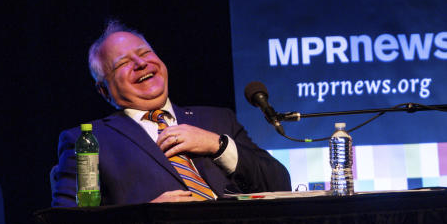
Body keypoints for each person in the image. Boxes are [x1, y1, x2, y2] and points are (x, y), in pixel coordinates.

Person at [51, 21, 291, 205]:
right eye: (123, 63)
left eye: (145, 53)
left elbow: (279, 183)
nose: (141, 63)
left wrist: (217, 145)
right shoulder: (88, 141)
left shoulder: (218, 120)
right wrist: (145, 217)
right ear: (104, 90)